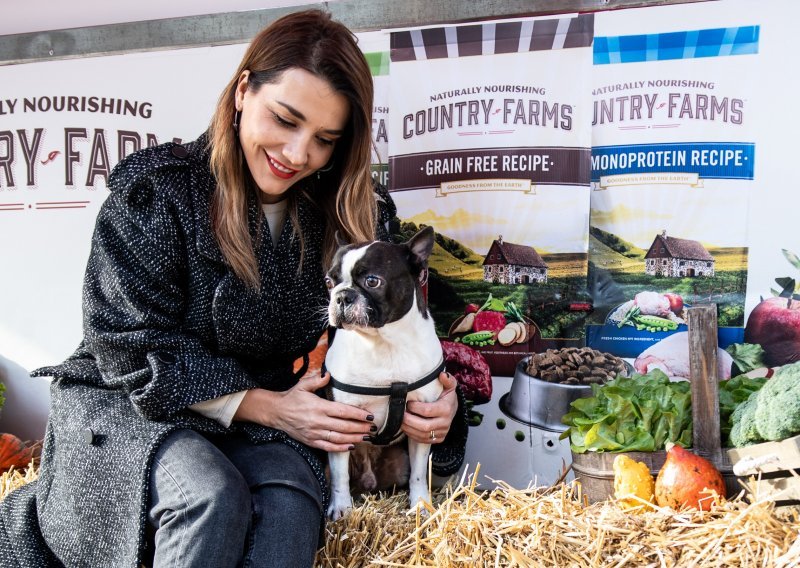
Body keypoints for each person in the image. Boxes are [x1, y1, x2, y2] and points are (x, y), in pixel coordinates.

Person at [0, 10, 467, 567]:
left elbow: (412, 329)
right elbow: (124, 342)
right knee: (209, 498)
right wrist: (264, 406)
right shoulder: (156, 194)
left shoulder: (358, 216)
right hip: (136, 407)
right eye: (285, 119)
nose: (297, 154)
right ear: (244, 89)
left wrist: (443, 403)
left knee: (292, 505)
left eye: (324, 139)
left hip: (270, 419)